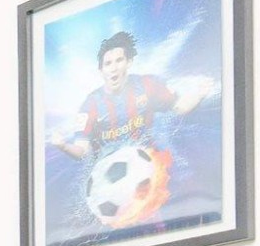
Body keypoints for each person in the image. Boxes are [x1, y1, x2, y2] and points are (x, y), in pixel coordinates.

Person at [58, 29, 210, 165]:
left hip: (148, 163)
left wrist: (199, 94)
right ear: (101, 70)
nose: (114, 68)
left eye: (119, 60)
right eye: (108, 64)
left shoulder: (148, 85)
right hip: (106, 174)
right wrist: (63, 146)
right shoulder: (90, 104)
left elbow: (180, 107)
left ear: (129, 62)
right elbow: (82, 151)